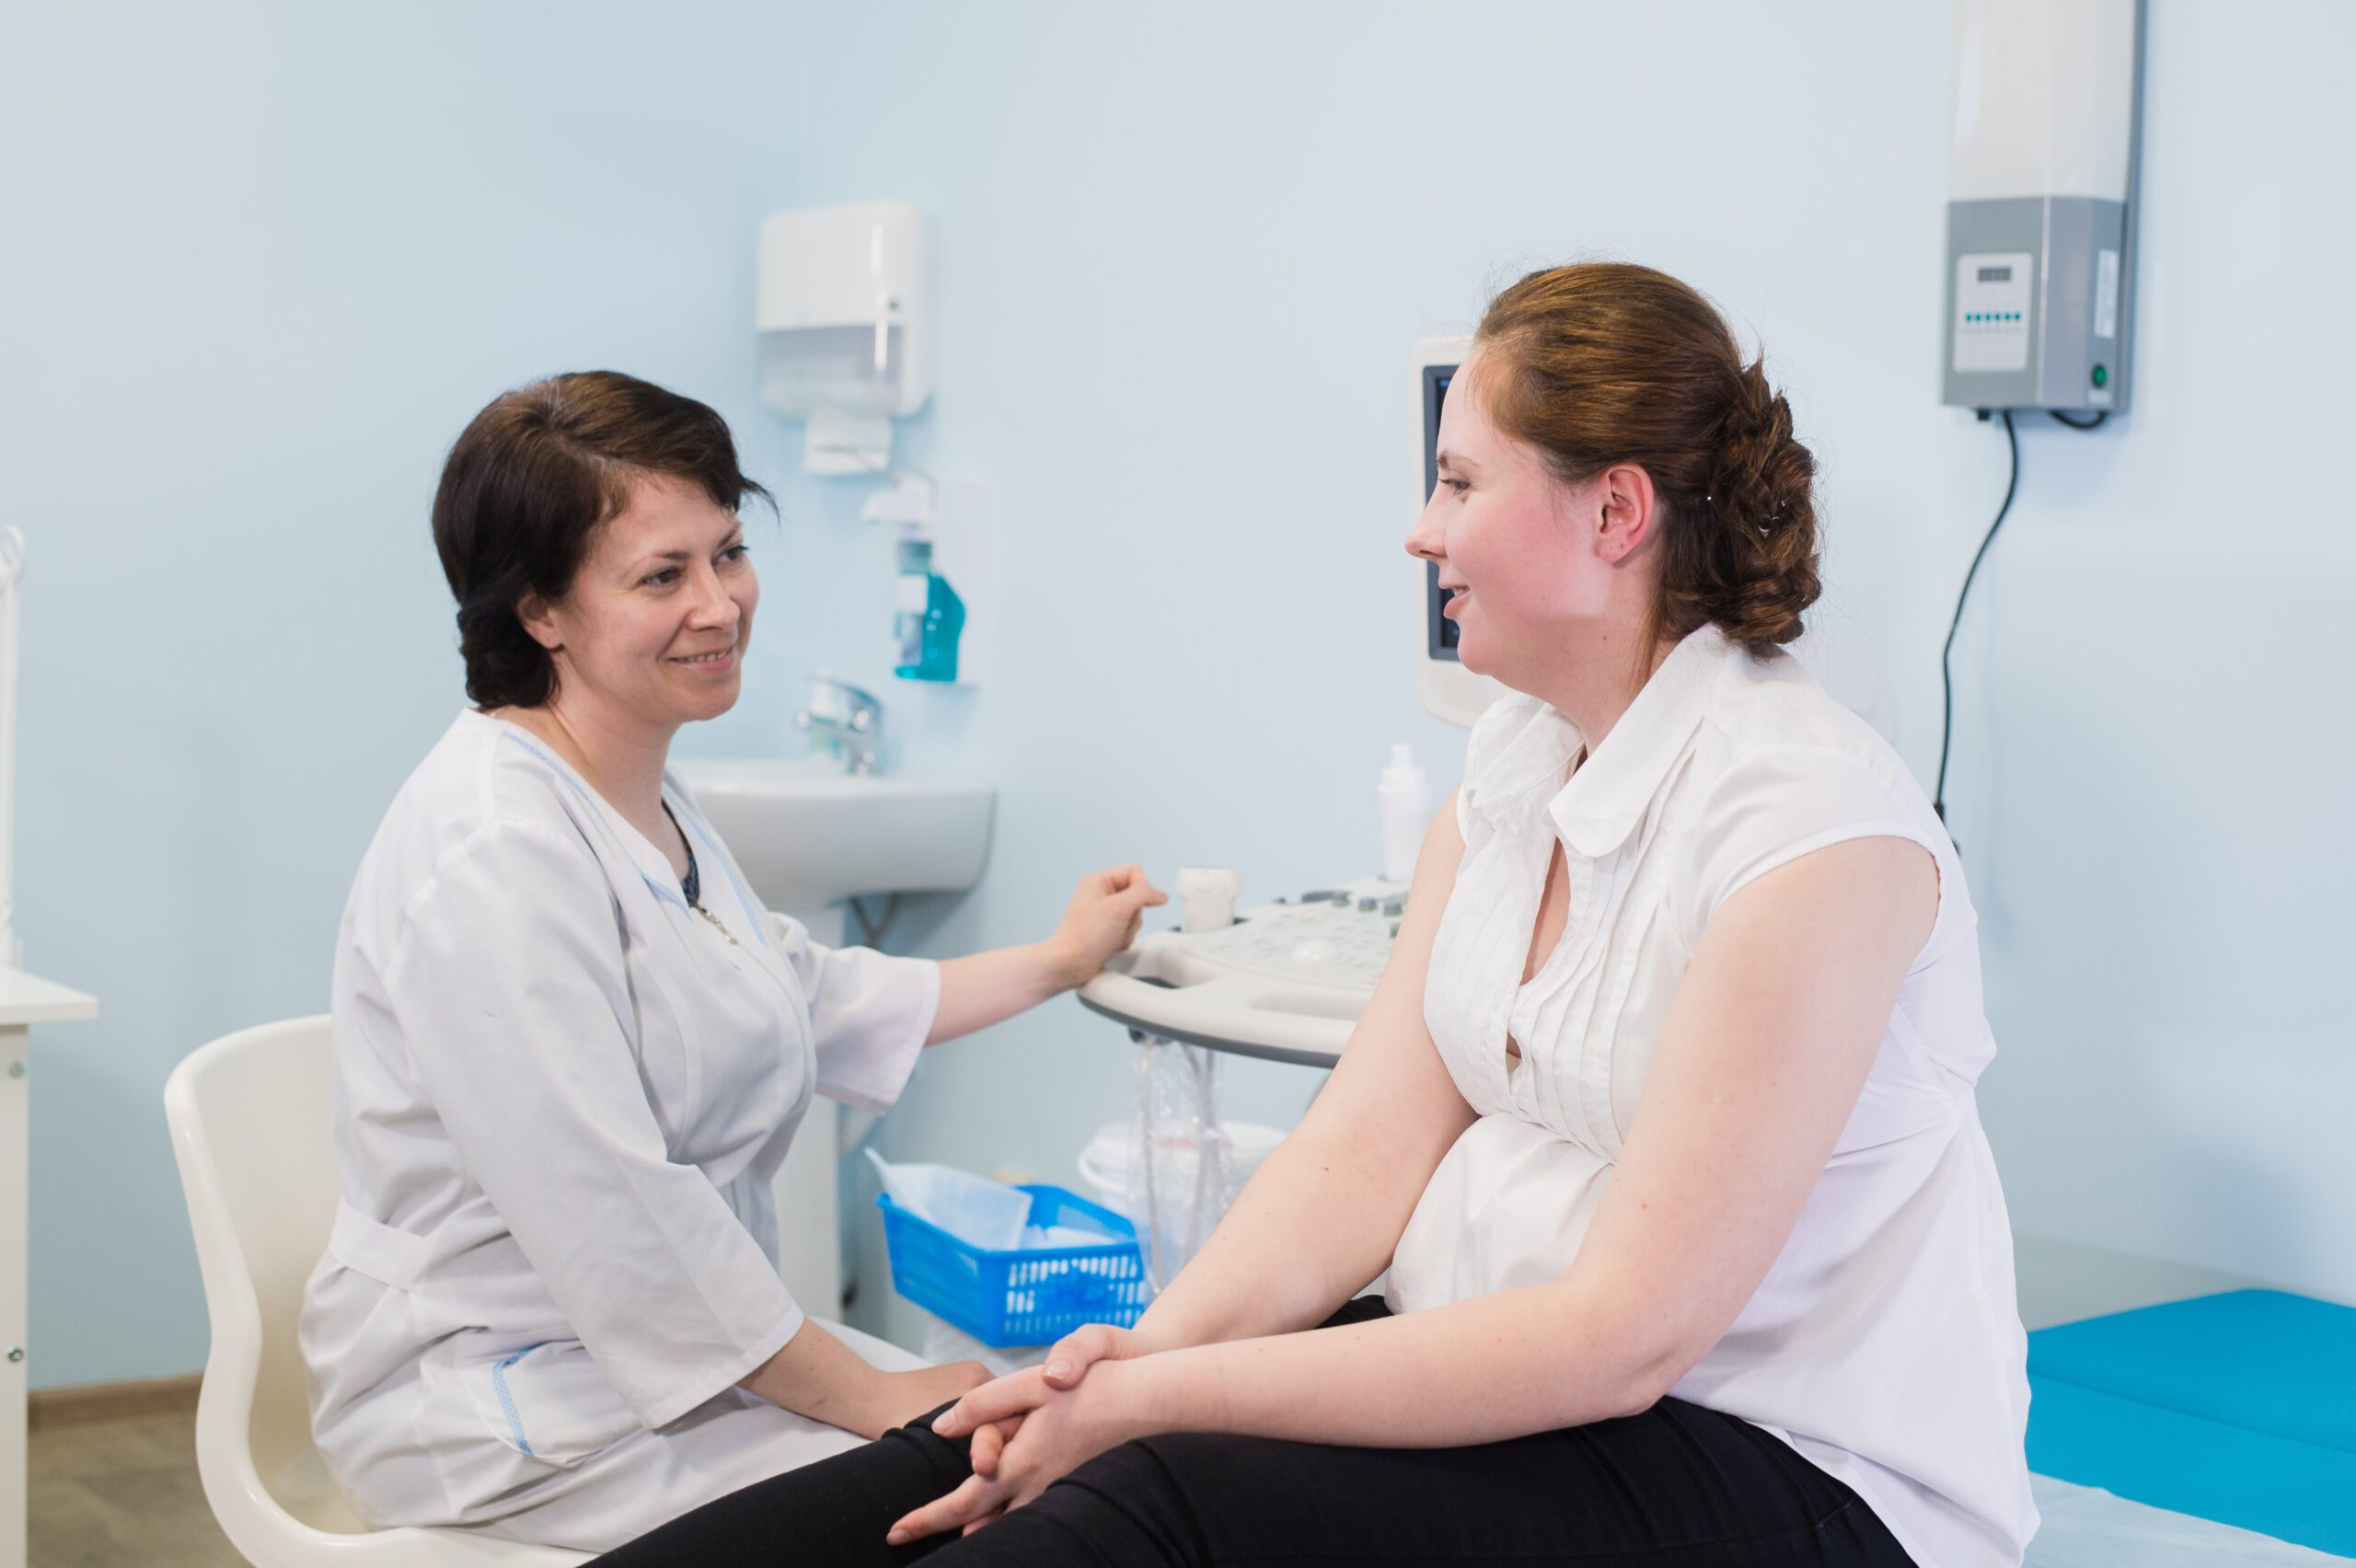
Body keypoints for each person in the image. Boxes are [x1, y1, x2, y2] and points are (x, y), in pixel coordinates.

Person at [591, 263, 2039, 1568]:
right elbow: (1361, 1151)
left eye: (1461, 484)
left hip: (1786, 1459)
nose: (1422, 532)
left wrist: (1155, 1403)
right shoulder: (1515, 763)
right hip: (1511, 1376)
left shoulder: (1809, 824)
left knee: (1152, 1502)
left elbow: (1624, 1339)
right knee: (982, 1446)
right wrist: (1125, 1364)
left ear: (1614, 511)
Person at [299, 370, 1166, 1552]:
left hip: (666, 1363)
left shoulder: (633, 788)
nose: (720, 605)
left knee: (1068, 1440)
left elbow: (802, 994)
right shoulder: (493, 853)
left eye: (728, 553)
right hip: (504, 1398)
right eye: (662, 576)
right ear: (539, 612)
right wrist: (880, 1405)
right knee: (991, 1492)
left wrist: (1059, 960)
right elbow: (618, 1217)